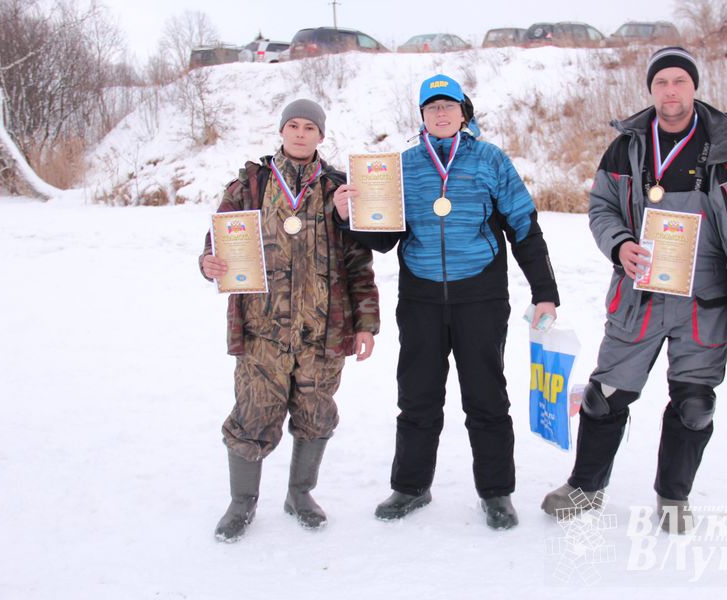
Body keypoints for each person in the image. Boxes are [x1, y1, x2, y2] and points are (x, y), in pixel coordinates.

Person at [541, 47, 727, 534]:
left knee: (695, 405)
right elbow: (601, 207)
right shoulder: (627, 146)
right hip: (640, 292)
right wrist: (619, 244)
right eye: (661, 83)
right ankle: (586, 487)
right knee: (606, 395)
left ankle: (674, 498)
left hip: (706, 298)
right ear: (651, 90)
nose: (671, 91)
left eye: (679, 81)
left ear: (694, 86)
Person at [333, 74, 559, 530]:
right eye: (432, 107)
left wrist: (545, 292)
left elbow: (523, 226)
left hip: (481, 296)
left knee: (486, 397)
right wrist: (348, 218)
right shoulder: (402, 166)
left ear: (463, 112)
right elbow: (385, 238)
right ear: (422, 115)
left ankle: (496, 492)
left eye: (448, 105)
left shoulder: (490, 159)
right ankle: (410, 486)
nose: (440, 113)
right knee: (417, 396)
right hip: (421, 298)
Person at [199, 99, 380, 541]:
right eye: (293, 126)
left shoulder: (339, 189)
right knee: (252, 415)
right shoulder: (250, 185)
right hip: (263, 331)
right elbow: (218, 241)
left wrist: (365, 323)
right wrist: (208, 262)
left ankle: (300, 494)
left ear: (321, 135)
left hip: (323, 331)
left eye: (309, 127)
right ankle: (242, 503)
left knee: (316, 413)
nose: (300, 134)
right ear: (282, 131)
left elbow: (359, 263)